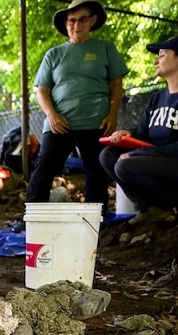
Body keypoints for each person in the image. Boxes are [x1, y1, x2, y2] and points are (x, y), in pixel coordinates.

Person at [25, 0, 129, 213]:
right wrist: (51, 115)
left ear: (92, 21)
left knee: (96, 173)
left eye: (82, 19)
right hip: (59, 123)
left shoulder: (105, 48)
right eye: (71, 20)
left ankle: (95, 221)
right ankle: (32, 218)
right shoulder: (53, 54)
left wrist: (112, 114)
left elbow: (117, 85)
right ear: (66, 25)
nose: (76, 24)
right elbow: (42, 90)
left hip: (96, 121)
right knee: (43, 170)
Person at [99, 36, 178, 224]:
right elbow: (141, 133)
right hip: (155, 161)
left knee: (125, 165)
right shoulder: (157, 98)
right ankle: (150, 209)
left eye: (162, 54)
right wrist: (127, 135)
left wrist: (138, 154)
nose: (155, 60)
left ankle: (172, 203)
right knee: (107, 155)